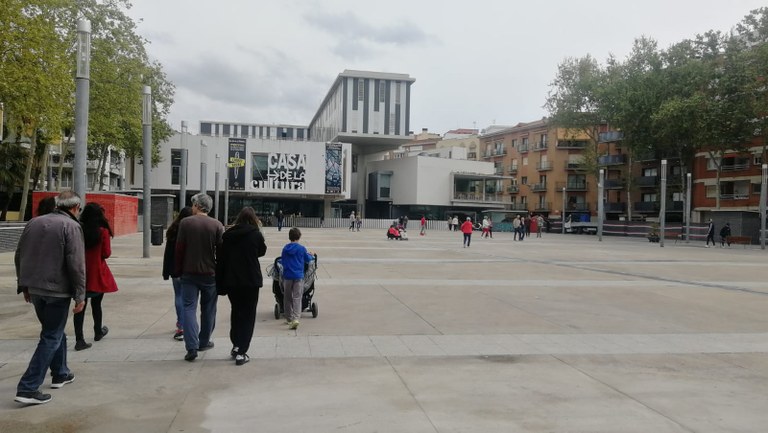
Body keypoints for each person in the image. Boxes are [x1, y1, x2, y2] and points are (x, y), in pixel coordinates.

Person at [14, 191, 86, 405]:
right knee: (51, 336)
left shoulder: (34, 222)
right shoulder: (71, 226)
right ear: (74, 208)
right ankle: (28, 387)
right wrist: (80, 294)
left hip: (35, 289)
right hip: (57, 290)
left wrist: (24, 284)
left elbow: (20, 255)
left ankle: (61, 373)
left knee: (54, 331)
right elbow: (76, 264)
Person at [175, 193, 224, 362]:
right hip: (210, 274)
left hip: (189, 273)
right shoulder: (217, 225)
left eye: (193, 204)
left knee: (188, 308)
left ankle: (191, 346)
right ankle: (204, 341)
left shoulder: (185, 223)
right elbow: (222, 252)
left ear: (197, 205)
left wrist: (178, 270)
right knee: (209, 309)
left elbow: (179, 249)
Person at [216, 207, 267, 366]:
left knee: (236, 312)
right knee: (248, 314)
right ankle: (242, 351)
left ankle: (236, 344)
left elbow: (221, 258)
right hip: (250, 281)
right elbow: (262, 251)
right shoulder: (255, 234)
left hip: (232, 280)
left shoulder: (228, 235)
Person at [73, 203, 118, 351]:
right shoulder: (102, 231)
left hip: (80, 272)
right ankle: (98, 331)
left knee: (80, 305)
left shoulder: (78, 229)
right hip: (97, 272)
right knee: (97, 304)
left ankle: (79, 339)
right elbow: (106, 253)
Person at [163, 206, 193, 341]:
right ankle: (187, 324)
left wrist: (165, 271)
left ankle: (181, 325)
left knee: (179, 296)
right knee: (189, 299)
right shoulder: (192, 230)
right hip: (189, 269)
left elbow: (168, 253)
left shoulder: (173, 230)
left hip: (175, 270)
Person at [281, 228, 315, 330]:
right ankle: (296, 318)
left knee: (287, 297)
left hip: (287, 276)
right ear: (299, 237)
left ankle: (289, 318)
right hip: (298, 276)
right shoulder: (301, 248)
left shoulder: (285, 249)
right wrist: (311, 255)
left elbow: (282, 261)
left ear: (289, 237)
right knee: (297, 297)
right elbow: (308, 259)